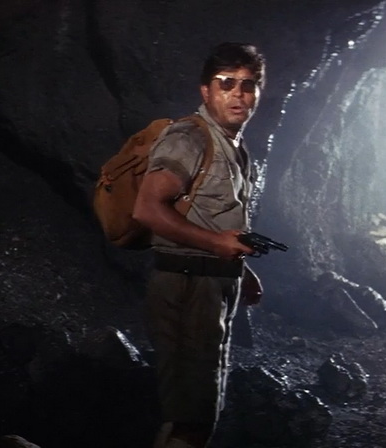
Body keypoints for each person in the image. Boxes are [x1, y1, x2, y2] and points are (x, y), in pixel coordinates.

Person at [132, 42, 266, 448]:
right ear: (206, 91)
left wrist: (242, 269)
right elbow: (147, 209)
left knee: (195, 412)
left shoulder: (234, 146)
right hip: (186, 287)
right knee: (191, 417)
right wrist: (216, 244)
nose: (238, 94)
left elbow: (213, 217)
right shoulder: (189, 137)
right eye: (227, 83)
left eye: (248, 84)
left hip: (211, 285)